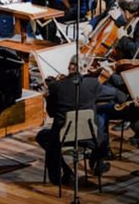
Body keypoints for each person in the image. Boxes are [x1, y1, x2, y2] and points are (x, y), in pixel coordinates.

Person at [35, 55, 106, 186]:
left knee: (42, 136)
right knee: (102, 131)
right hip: (89, 136)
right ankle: (97, 163)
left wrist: (48, 97)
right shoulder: (93, 84)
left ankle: (62, 174)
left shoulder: (56, 87)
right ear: (84, 68)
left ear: (69, 67)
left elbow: (51, 114)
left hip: (65, 137)